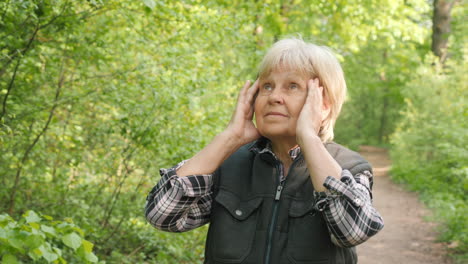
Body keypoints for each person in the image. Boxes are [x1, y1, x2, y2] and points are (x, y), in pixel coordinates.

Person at [145, 37, 384, 264]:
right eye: (267, 86)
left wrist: (309, 137)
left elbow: (354, 231)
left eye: (292, 86)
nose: (274, 97)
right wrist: (229, 138)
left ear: (323, 105)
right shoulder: (229, 164)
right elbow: (162, 215)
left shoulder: (349, 168)